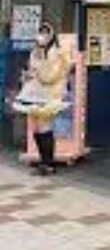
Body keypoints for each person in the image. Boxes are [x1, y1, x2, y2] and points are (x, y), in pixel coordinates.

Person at [13, 22, 71, 175]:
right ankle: (43, 161)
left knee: (44, 126)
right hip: (34, 93)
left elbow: (50, 77)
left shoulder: (56, 52)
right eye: (41, 32)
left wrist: (37, 69)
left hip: (50, 94)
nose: (42, 36)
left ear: (51, 35)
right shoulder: (36, 51)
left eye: (46, 33)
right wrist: (28, 74)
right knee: (36, 127)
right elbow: (32, 69)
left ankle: (49, 164)